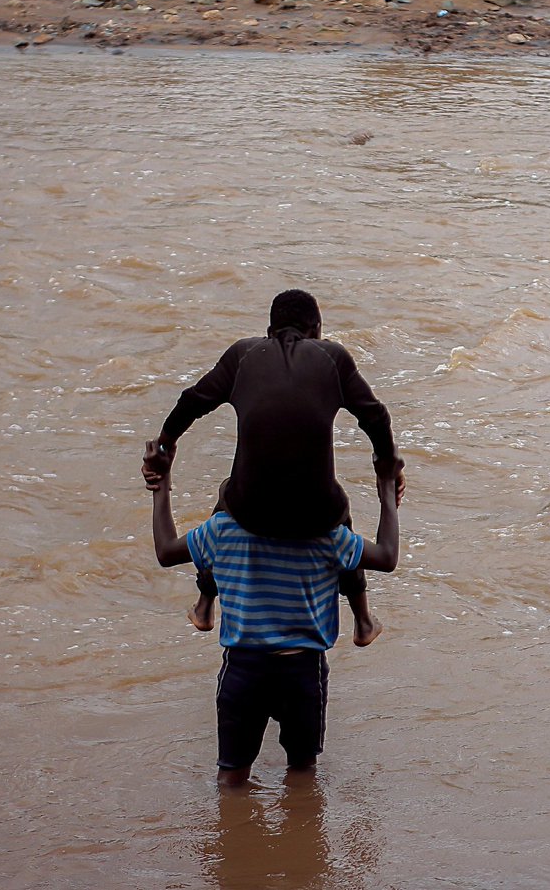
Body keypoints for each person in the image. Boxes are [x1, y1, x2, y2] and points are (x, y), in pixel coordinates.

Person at [148, 289, 406, 647]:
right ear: (317, 330)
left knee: (226, 494)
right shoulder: (333, 357)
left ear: (269, 330)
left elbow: (192, 402)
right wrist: (387, 467)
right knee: (341, 507)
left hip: (249, 511)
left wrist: (164, 447)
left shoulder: (243, 354)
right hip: (315, 516)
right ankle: (362, 620)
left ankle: (206, 603)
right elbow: (376, 417)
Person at [141, 440, 399, 787]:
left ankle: (232, 837)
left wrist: (162, 483)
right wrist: (386, 492)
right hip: (302, 669)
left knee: (231, 777)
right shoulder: (330, 536)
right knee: (302, 773)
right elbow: (386, 556)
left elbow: (166, 550)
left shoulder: (222, 529)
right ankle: (363, 621)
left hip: (243, 669)